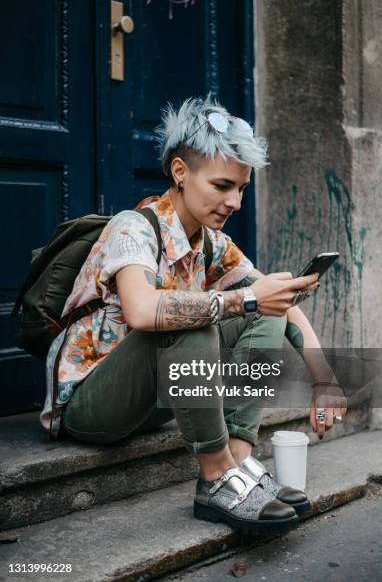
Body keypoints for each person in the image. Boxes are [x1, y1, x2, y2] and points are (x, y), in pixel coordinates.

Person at [40, 95, 347, 535]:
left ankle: (238, 456)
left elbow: (280, 308)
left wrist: (324, 380)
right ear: (180, 173)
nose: (236, 201)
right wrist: (241, 300)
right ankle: (216, 475)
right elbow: (143, 311)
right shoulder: (133, 226)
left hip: (155, 401)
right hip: (91, 406)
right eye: (223, 186)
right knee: (200, 315)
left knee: (267, 310)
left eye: (242, 189)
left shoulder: (211, 242)